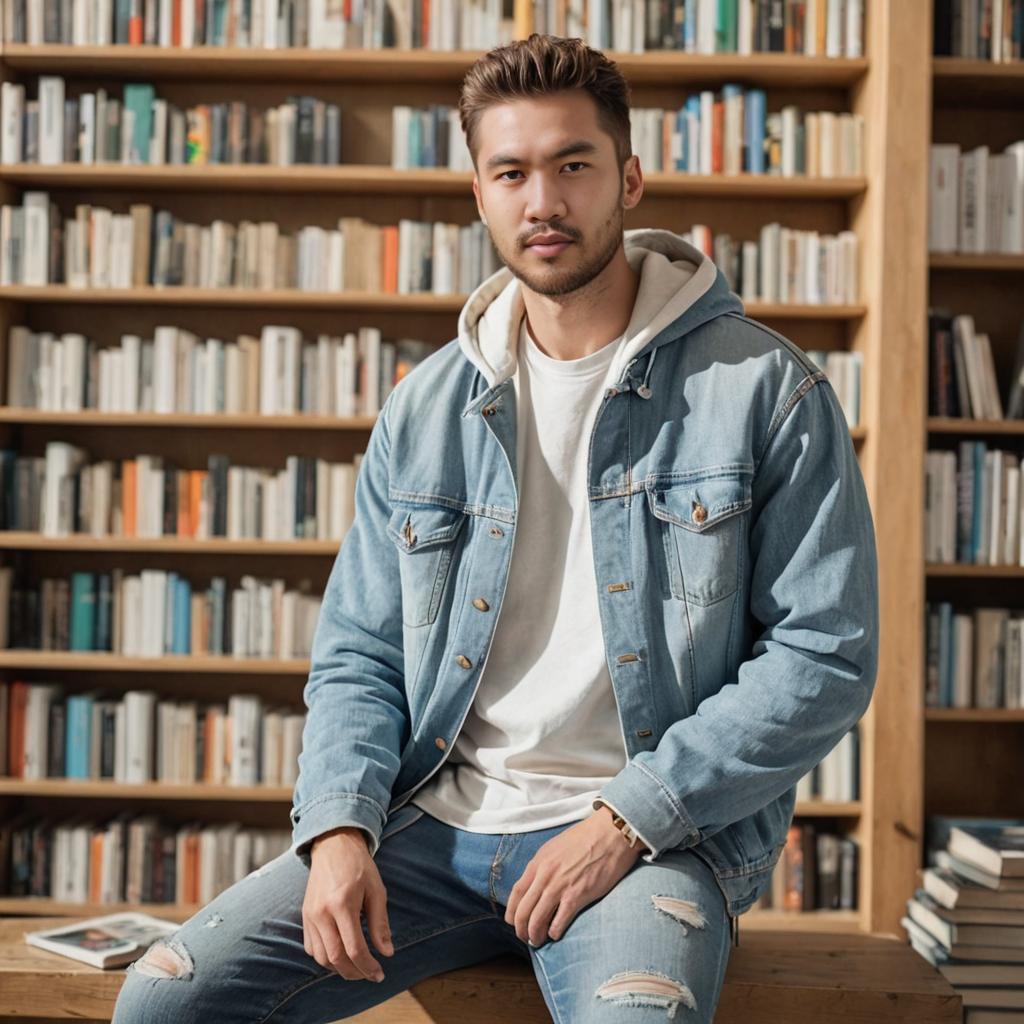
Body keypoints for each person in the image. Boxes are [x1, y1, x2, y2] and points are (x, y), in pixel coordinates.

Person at [112, 32, 879, 1024]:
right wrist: (338, 828)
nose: (542, 202)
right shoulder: (426, 407)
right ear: (478, 194)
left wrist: (627, 817)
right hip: (433, 826)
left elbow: (824, 651)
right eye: (510, 173)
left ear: (629, 179)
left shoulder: (766, 391)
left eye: (573, 166)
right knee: (162, 1004)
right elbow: (359, 648)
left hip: (641, 845)